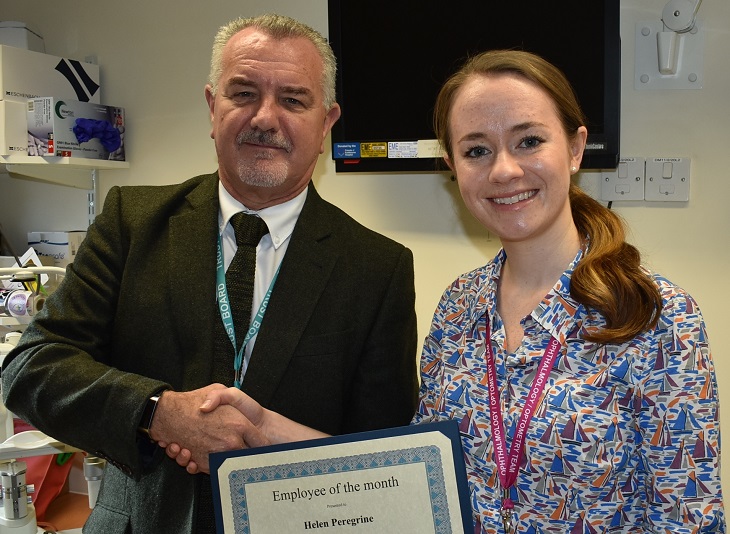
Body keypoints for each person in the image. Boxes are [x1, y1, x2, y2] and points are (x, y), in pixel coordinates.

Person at [170, 50, 726, 532]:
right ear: (453, 167)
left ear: (576, 148)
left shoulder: (656, 316)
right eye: (476, 150)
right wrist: (261, 425)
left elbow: (688, 518)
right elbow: (412, 474)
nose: (504, 170)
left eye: (529, 140)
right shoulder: (460, 306)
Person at [1, 14, 418, 533]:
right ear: (211, 106)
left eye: (293, 100)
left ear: (327, 121)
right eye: (243, 93)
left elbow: (386, 456)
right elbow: (30, 367)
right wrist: (155, 410)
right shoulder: (131, 222)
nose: (265, 118)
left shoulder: (378, 268)